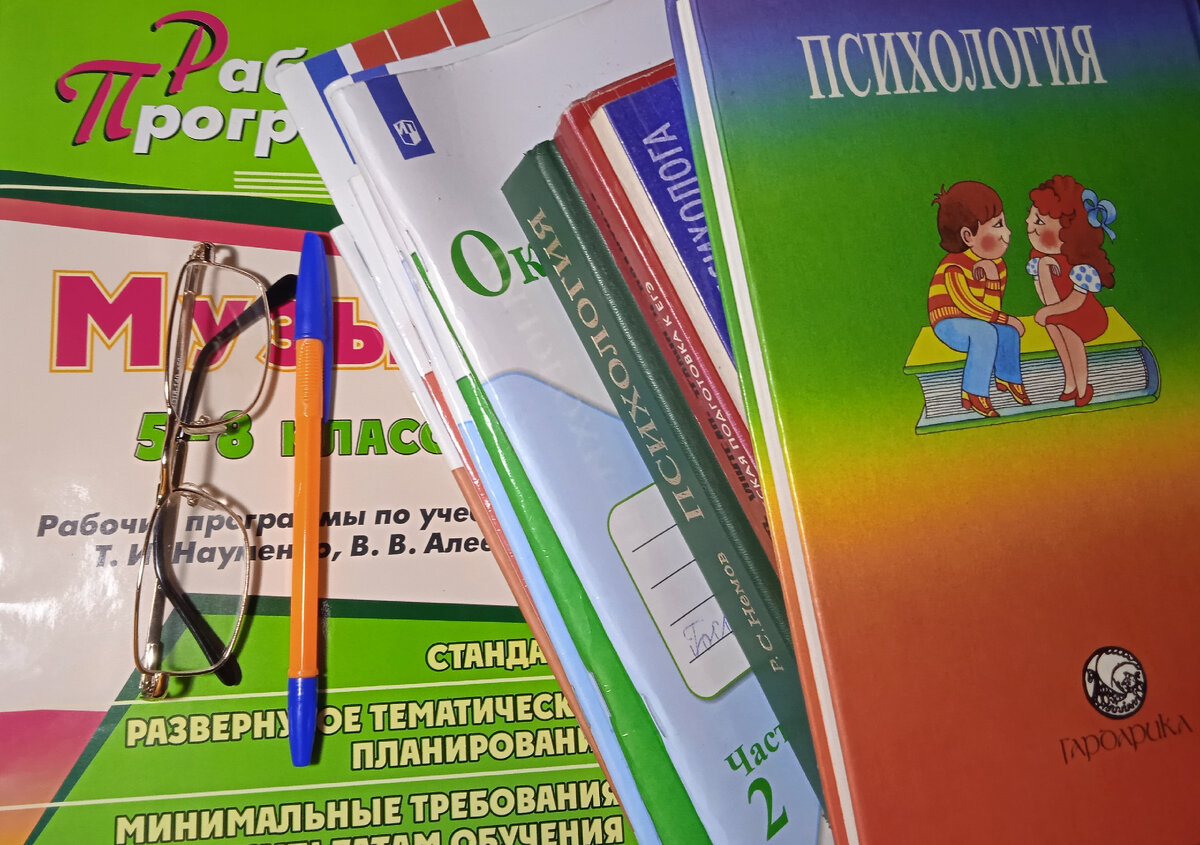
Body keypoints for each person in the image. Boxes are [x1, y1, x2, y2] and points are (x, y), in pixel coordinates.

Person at [927, 181, 1029, 418]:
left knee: (1007, 333)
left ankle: (1008, 378)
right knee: (985, 333)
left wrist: (992, 277)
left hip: (979, 321)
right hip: (949, 322)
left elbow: (990, 309)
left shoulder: (998, 266)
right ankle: (973, 392)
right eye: (998, 225)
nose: (1007, 233)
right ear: (968, 236)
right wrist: (1007, 319)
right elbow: (968, 306)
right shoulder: (954, 266)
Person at [1026, 174, 1115, 407]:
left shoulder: (1079, 266)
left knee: (1067, 330)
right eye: (1031, 217)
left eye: (1039, 221)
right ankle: (1070, 383)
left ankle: (1084, 387)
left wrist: (1050, 312)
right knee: (1055, 327)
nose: (1028, 224)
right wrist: (1044, 269)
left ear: (1067, 232)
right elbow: (1045, 296)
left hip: (1086, 316)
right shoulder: (1038, 259)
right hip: (1059, 311)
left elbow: (1076, 301)